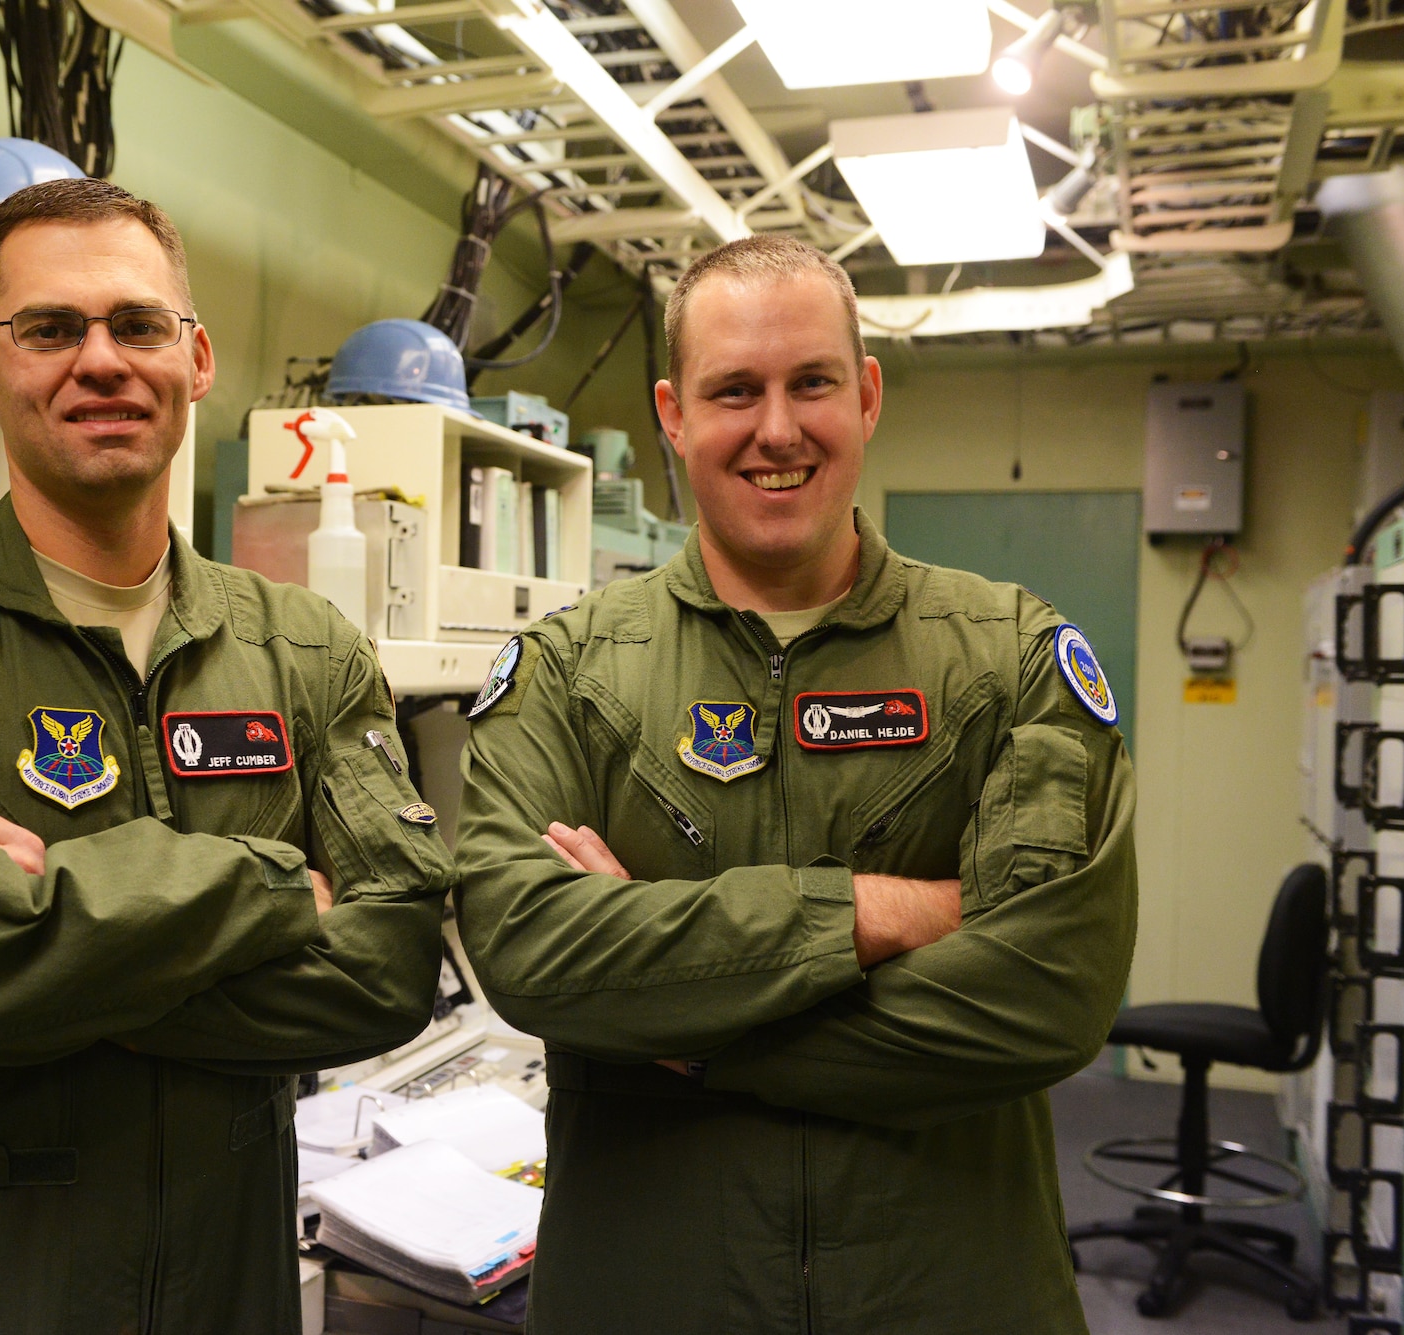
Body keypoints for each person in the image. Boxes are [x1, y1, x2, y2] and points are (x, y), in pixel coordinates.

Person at [0, 178, 453, 1335]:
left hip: (225, 1293)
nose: (100, 361)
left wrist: (52, 941)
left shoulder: (303, 646)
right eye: (49, 329)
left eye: (136, 324)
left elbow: (389, 967)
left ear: (198, 357)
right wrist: (271, 886)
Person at [453, 235, 1137, 1333]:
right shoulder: (570, 674)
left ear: (864, 396)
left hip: (948, 1294)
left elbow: (1046, 997)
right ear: (674, 416)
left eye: (809, 382)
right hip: (651, 1296)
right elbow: (529, 953)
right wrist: (881, 911)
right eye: (734, 391)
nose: (776, 429)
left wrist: (684, 1029)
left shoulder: (1007, 657)